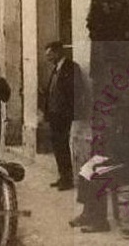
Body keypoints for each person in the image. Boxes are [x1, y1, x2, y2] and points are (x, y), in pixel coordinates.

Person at [71, 99, 129, 233]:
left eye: (118, 112)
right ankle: (87, 213)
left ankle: (100, 222)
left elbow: (126, 157)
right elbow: (112, 150)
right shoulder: (120, 127)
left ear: (127, 113)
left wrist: (105, 163)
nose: (114, 116)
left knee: (97, 178)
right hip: (121, 165)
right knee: (85, 171)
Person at [44, 41, 81, 190]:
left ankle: (67, 179)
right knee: (57, 146)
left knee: (63, 145)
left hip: (63, 114)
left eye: (50, 54)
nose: (47, 58)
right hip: (54, 113)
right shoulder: (56, 68)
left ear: (57, 52)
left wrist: (68, 110)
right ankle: (62, 176)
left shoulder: (71, 67)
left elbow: (74, 91)